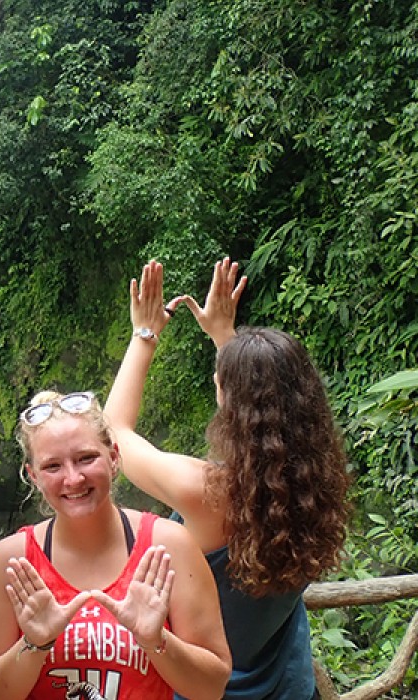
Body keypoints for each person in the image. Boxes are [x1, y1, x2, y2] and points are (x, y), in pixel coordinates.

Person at [104, 259, 351, 699]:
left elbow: (113, 433)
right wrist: (225, 336)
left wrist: (145, 333)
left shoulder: (204, 492)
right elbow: (265, 405)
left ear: (226, 395)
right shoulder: (318, 484)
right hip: (287, 688)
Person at [0, 390, 231, 700]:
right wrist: (35, 645)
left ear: (114, 457)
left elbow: (212, 687)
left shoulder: (168, 547)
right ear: (33, 476)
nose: (73, 478)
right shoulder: (11, 562)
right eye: (53, 466)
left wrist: (156, 641)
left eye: (86, 458)